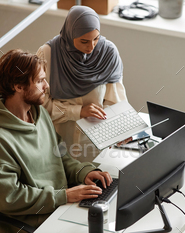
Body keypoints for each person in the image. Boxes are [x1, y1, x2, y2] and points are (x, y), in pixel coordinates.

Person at [0, 49, 112, 233]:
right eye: (40, 81)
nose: (46, 86)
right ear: (18, 86)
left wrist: (82, 172)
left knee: (110, 217)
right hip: (32, 224)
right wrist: (62, 196)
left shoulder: (38, 114)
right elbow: (9, 197)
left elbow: (60, 155)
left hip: (59, 206)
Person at [37, 6, 130, 161]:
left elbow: (115, 101)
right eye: (84, 41)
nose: (91, 46)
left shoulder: (108, 54)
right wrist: (77, 111)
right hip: (57, 145)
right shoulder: (48, 54)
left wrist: (119, 130)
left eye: (96, 38)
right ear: (70, 33)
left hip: (95, 148)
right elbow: (39, 106)